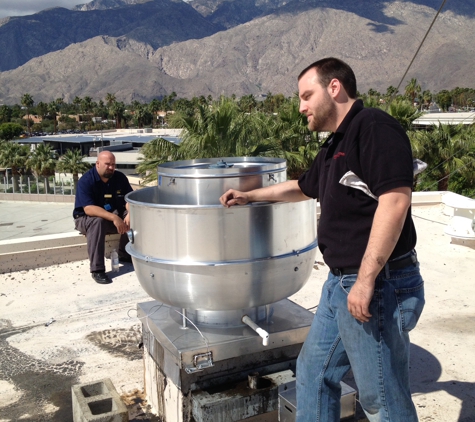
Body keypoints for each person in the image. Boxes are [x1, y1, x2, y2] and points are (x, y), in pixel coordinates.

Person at [220, 57, 425, 421]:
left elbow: (395, 202)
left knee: (381, 398)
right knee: (314, 372)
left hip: (377, 282)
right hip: (340, 283)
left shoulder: (373, 127)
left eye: (306, 95)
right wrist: (249, 196)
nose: (301, 107)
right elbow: (302, 187)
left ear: (334, 88)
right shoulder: (334, 145)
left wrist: (365, 281)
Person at [73, 150, 133, 284]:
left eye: (113, 164)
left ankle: (124, 254)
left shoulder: (120, 178)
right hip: (86, 219)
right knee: (98, 221)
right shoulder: (86, 181)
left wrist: (130, 213)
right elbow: (88, 209)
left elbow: (129, 200)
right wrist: (113, 218)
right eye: (107, 164)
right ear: (97, 164)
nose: (111, 167)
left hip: (112, 217)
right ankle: (97, 270)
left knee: (135, 217)